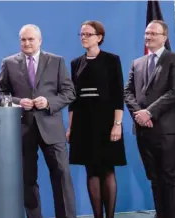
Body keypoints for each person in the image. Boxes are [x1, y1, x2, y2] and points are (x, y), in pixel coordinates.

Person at [0, 24, 76, 218]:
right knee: (27, 179)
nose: (27, 43)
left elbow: (69, 92)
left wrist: (49, 101)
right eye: (23, 39)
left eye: (31, 39)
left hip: (52, 128)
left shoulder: (56, 61)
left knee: (61, 177)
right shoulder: (9, 63)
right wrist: (16, 102)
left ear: (40, 41)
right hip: (22, 129)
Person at [124, 20, 175, 218]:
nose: (148, 37)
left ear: (164, 37)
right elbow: (127, 92)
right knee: (154, 178)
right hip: (144, 130)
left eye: (153, 33)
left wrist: (149, 112)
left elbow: (174, 91)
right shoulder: (138, 62)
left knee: (169, 177)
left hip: (166, 129)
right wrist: (139, 115)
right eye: (146, 33)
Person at [67, 20, 126, 218]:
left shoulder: (112, 60)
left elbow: (119, 95)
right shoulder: (76, 63)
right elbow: (72, 99)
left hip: (107, 121)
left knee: (107, 169)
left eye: (88, 34)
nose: (83, 37)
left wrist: (117, 124)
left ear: (99, 38)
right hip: (84, 123)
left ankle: (110, 216)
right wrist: (70, 128)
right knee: (90, 170)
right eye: (81, 34)